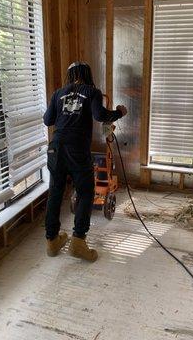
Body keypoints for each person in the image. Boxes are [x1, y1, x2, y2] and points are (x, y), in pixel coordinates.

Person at [43, 62, 127, 262]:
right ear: (87, 74)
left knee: (55, 193)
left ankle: (52, 241)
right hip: (77, 150)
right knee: (86, 192)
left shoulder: (57, 93)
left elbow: (47, 120)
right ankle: (78, 241)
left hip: (55, 148)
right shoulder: (92, 92)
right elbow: (100, 115)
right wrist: (119, 113)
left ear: (70, 75)